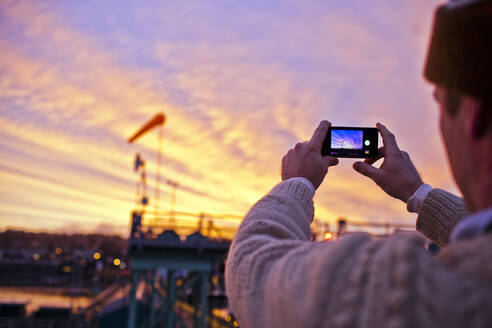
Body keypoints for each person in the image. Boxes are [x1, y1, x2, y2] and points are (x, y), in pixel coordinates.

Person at [225, 0, 492, 327]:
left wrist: (297, 184)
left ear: (473, 115)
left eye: (438, 102)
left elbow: (253, 267)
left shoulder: (413, 295)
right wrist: (416, 191)